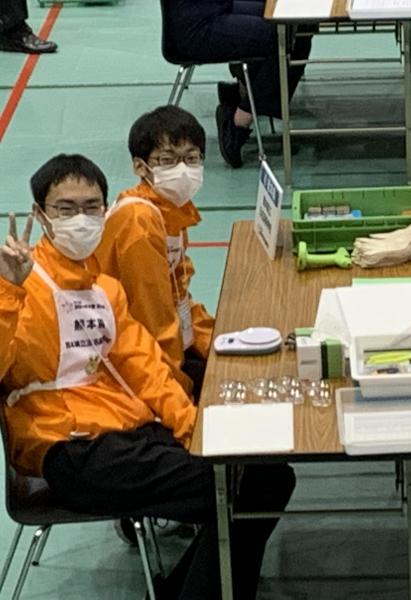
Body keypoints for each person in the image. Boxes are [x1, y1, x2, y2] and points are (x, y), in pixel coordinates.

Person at [0, 154, 295, 600]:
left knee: (267, 476)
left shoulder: (105, 290)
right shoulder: (18, 284)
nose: (80, 218)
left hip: (128, 433)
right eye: (66, 208)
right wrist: (9, 291)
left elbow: (148, 368)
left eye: (91, 206)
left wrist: (195, 429)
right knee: (238, 488)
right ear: (41, 215)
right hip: (69, 448)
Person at [95, 106, 214, 401]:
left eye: (191, 158)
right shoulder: (140, 222)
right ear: (140, 167)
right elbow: (153, 318)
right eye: (167, 160)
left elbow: (178, 294)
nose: (182, 169)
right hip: (129, 354)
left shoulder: (171, 211)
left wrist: (215, 340)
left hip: (165, 341)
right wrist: (177, 393)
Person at [162, 0, 312, 168]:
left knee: (300, 25)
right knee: (283, 34)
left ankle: (245, 96)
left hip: (214, 8)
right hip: (197, 26)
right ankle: (239, 120)